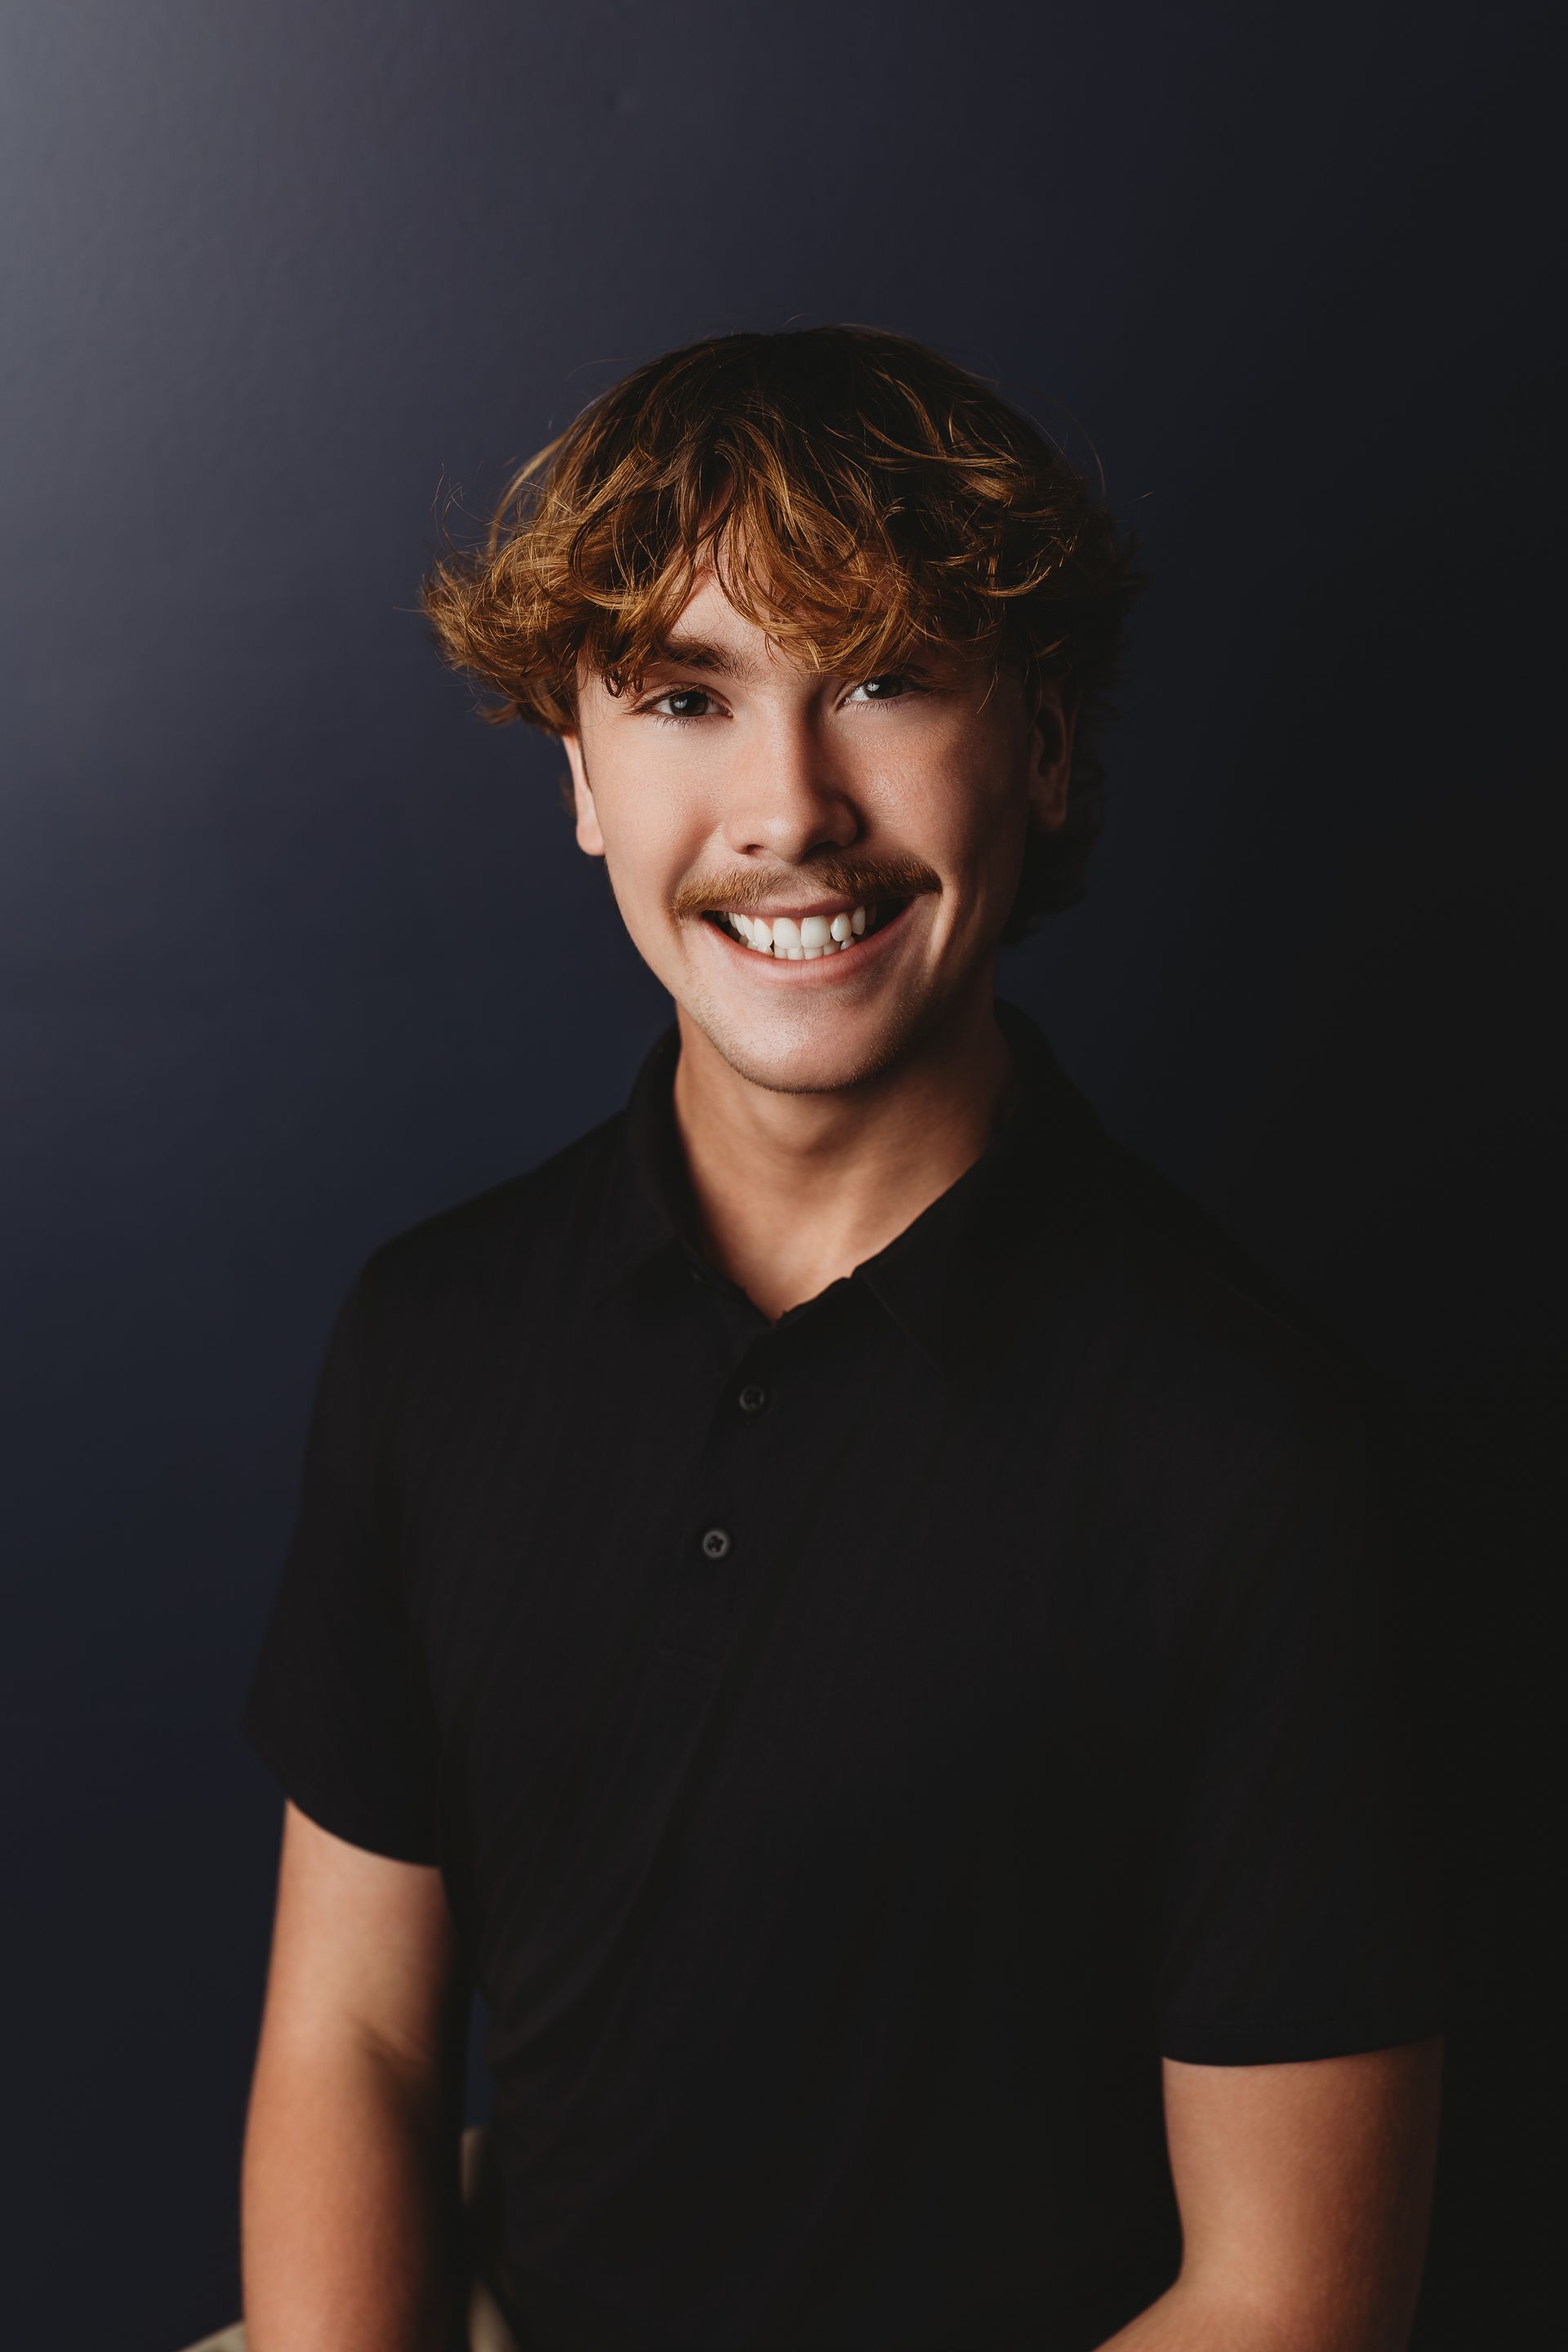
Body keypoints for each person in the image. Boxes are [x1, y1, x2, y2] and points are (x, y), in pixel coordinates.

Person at [237, 325, 1449, 2352]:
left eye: (883, 680)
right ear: (580, 779)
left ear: (1045, 748)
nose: (789, 808)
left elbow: (1285, 2302)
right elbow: (352, 2041)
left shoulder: (1254, 1459)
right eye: (687, 699)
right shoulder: (430, 1336)